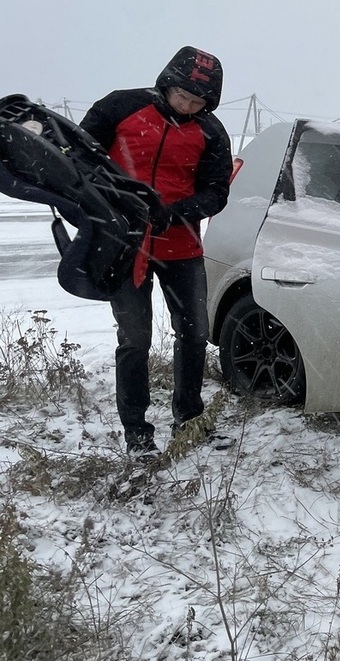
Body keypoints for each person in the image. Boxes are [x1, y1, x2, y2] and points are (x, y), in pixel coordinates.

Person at [81, 46, 233, 457]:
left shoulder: (211, 132)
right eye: (181, 95)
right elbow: (80, 159)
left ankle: (189, 418)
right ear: (167, 83)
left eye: (197, 101)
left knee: (195, 333)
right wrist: (108, 205)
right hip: (123, 245)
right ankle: (137, 433)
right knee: (134, 338)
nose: (186, 106)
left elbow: (217, 193)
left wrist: (176, 213)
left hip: (181, 245)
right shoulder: (120, 106)